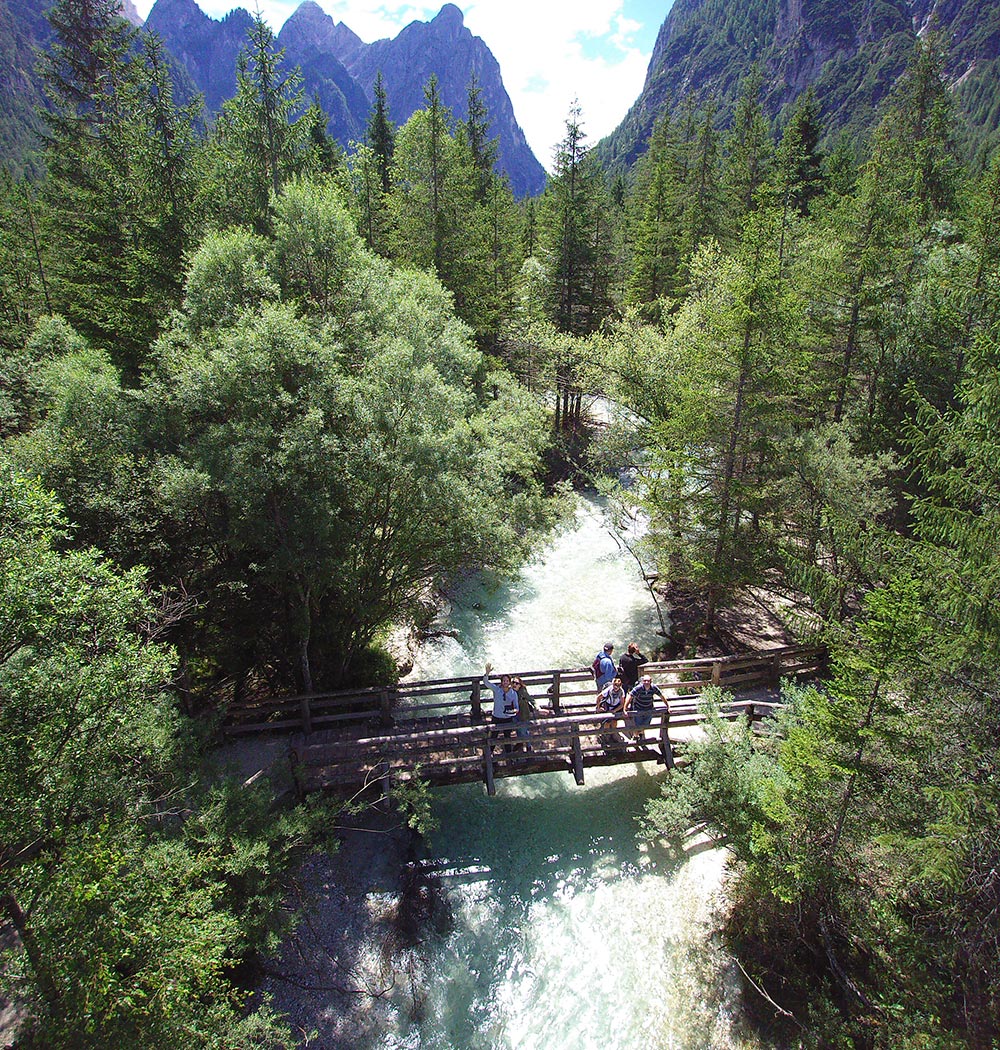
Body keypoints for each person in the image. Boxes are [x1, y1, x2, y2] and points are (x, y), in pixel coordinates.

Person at [483, 663, 519, 753]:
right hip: (496, 717)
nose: (505, 682)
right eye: (504, 681)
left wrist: (514, 711)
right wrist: (487, 673)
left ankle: (509, 755)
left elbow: (516, 706)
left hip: (508, 718)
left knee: (507, 737)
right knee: (493, 736)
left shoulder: (513, 693)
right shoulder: (496, 689)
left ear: (509, 682)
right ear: (501, 682)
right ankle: (489, 753)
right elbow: (486, 683)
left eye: (507, 681)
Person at [624, 673, 665, 745]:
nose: (646, 682)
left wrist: (668, 706)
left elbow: (661, 696)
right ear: (643, 681)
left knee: (646, 724)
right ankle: (635, 737)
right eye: (645, 681)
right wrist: (625, 708)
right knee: (638, 724)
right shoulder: (639, 688)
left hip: (649, 708)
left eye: (648, 681)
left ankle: (640, 734)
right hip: (639, 708)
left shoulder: (653, 688)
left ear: (651, 681)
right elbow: (630, 696)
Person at [595, 674, 627, 747]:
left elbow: (622, 704)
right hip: (608, 705)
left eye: (618, 685)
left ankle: (613, 733)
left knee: (614, 721)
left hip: (616, 706)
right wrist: (598, 707)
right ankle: (607, 735)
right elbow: (599, 697)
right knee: (607, 722)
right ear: (613, 684)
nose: (616, 687)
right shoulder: (608, 690)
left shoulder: (621, 692)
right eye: (615, 685)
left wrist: (615, 710)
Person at [512, 676, 535, 752]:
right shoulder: (509, 691)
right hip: (514, 715)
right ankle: (520, 743)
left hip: (524, 714)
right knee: (518, 730)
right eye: (513, 683)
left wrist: (538, 708)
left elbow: (531, 700)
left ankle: (528, 746)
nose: (514, 684)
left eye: (517, 683)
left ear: (520, 685)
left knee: (523, 731)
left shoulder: (523, 692)